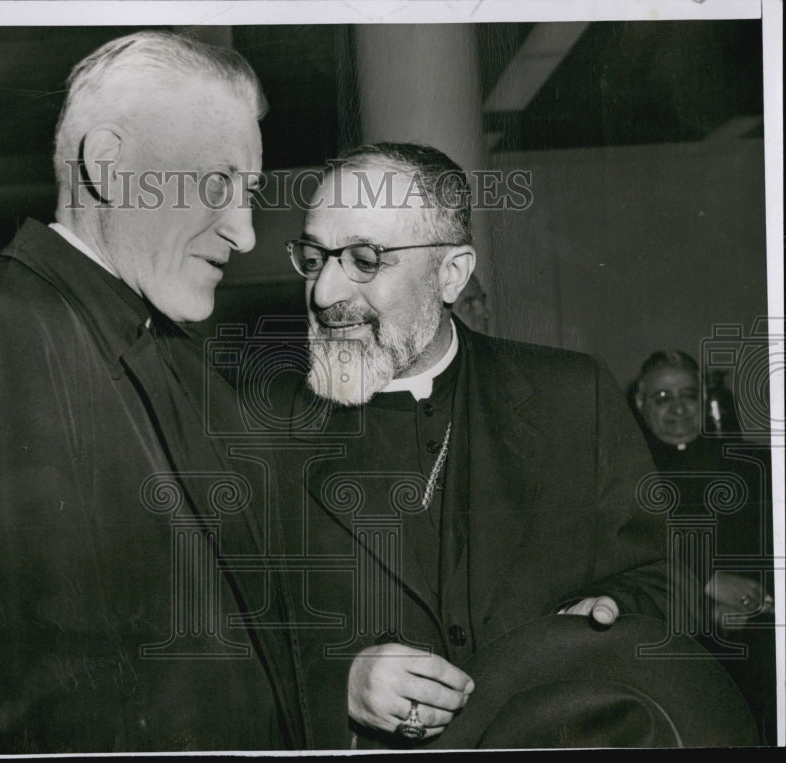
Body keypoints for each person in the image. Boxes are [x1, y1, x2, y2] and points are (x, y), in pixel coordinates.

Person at [0, 32, 306, 753]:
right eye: (216, 183)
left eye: (251, 193)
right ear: (108, 164)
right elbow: (17, 708)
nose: (242, 230)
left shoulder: (160, 346)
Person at [275, 142, 699, 749]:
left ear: (451, 275)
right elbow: (210, 643)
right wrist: (334, 683)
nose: (322, 293)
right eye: (314, 258)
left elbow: (667, 576)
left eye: (365, 259)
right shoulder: (260, 429)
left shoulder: (573, 395)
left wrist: (612, 612)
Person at [633, 349, 776, 744]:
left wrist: (755, 603)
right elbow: (631, 556)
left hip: (761, 630)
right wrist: (706, 587)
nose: (678, 409)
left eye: (688, 395)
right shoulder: (627, 474)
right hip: (680, 638)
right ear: (641, 404)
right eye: (662, 398)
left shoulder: (752, 464)